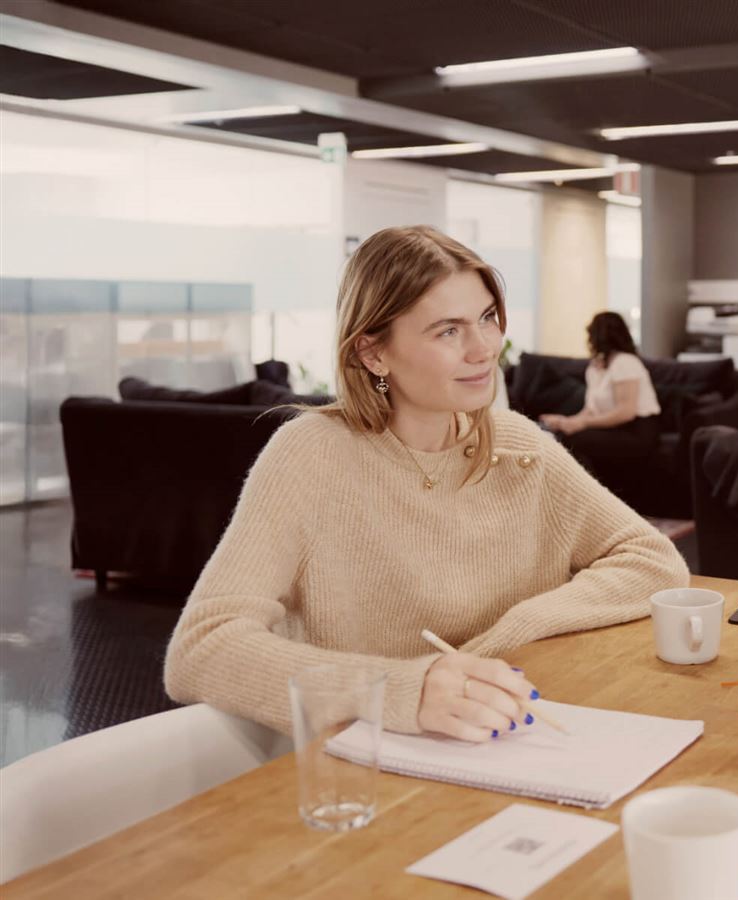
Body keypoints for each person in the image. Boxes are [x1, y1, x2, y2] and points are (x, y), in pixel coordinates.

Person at [164, 226, 689, 742]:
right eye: (448, 330)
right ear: (373, 352)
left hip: (498, 735)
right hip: (365, 766)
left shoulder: (515, 443)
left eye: (487, 318)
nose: (484, 349)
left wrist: (514, 632)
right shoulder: (311, 455)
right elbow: (202, 648)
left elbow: (652, 558)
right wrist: (396, 691)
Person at [539, 311, 661, 482]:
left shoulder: (625, 362)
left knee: (573, 440)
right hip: (613, 428)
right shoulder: (596, 368)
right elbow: (591, 410)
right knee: (560, 435)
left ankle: (591, 496)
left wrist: (582, 424)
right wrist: (566, 421)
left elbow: (626, 412)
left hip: (636, 431)